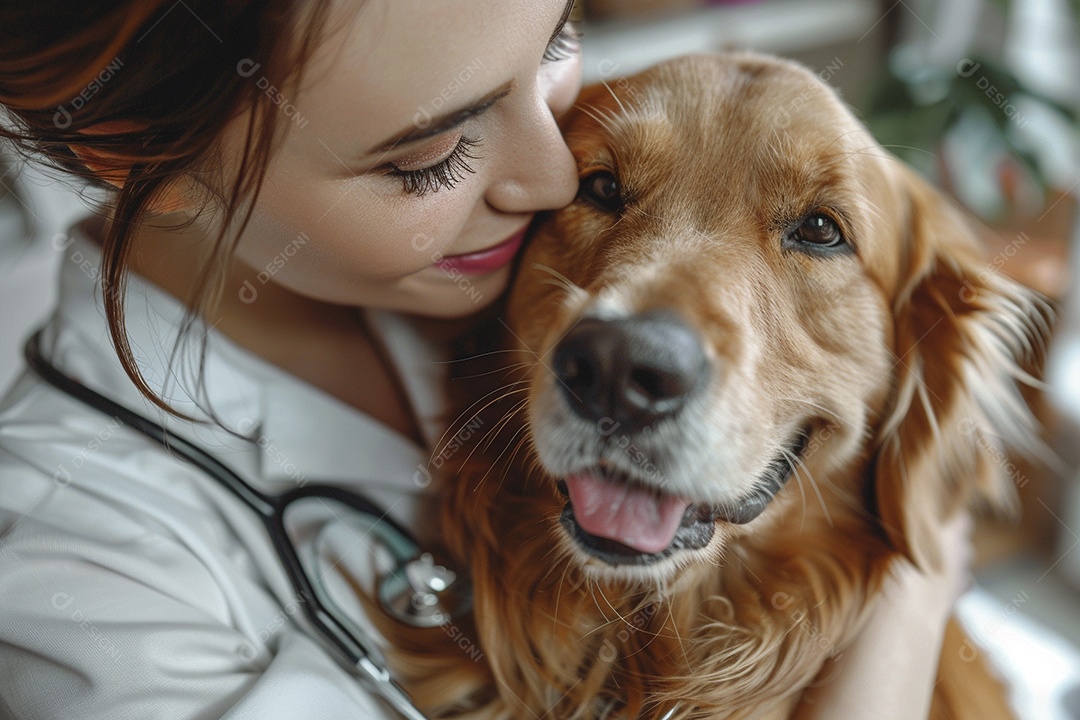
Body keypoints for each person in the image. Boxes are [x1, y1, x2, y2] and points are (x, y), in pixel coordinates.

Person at [0, 1, 974, 718]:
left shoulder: (493, 267)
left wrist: (921, 534)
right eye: (426, 153)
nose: (555, 174)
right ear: (146, 162)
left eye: (552, 41)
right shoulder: (80, 586)